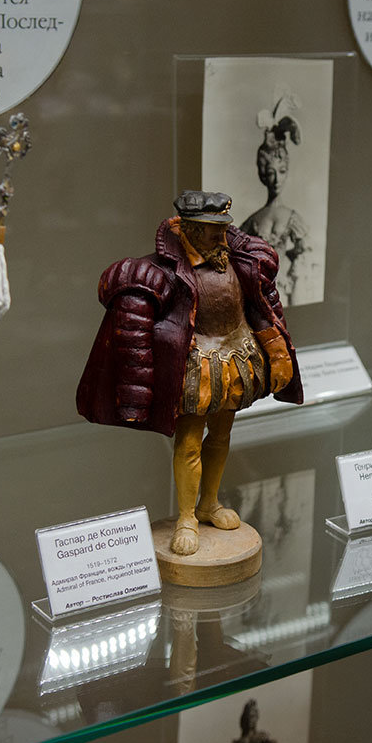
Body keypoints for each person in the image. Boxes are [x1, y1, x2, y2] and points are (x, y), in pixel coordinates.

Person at [77, 191, 303, 556]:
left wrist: (274, 348)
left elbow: (260, 303)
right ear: (190, 230)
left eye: (224, 229)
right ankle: (186, 517)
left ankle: (208, 503)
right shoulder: (164, 271)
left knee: (222, 434)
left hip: (235, 355)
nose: (221, 237)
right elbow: (141, 326)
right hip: (197, 365)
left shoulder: (236, 260)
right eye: (212, 230)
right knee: (189, 443)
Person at [240, 93, 310, 305]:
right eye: (271, 173)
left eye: (281, 171)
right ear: (263, 174)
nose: (277, 179)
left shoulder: (293, 218)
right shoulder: (252, 221)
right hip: (257, 296)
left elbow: (302, 256)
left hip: (285, 295)